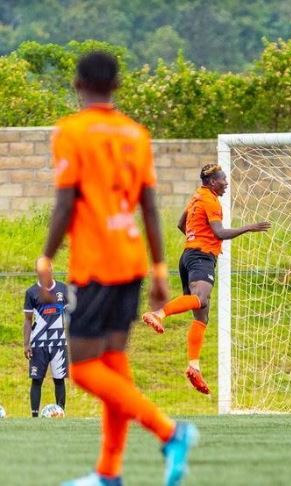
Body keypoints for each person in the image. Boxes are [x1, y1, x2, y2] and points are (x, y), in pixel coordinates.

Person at [38, 51, 197, 486]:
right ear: (117, 86)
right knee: (112, 363)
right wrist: (160, 268)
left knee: (83, 368)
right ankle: (109, 473)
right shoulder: (135, 134)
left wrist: (46, 256)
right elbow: (150, 207)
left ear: (77, 83)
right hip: (131, 261)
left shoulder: (71, 131)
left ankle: (170, 431)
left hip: (96, 265)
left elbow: (65, 202)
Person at [142, 163, 270, 394]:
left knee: (202, 315)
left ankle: (194, 366)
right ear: (212, 182)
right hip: (201, 257)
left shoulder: (196, 196)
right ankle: (158, 314)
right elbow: (219, 232)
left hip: (189, 255)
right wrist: (248, 228)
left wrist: (198, 240)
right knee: (200, 299)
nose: (226, 183)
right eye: (223, 179)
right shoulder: (210, 201)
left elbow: (181, 224)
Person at [23, 277, 68, 417]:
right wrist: (26, 344)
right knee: (36, 380)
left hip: (58, 342)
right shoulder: (31, 292)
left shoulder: (63, 289)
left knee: (59, 380)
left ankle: (60, 414)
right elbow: (28, 320)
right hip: (38, 343)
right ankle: (35, 417)